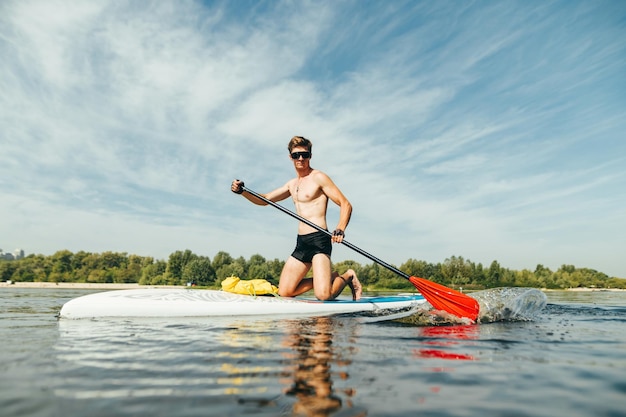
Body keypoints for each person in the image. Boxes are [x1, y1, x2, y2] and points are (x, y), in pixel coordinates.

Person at [231, 136, 362, 301]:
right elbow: (265, 199)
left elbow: (345, 204)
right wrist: (243, 192)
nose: (300, 158)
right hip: (302, 242)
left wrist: (340, 228)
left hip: (319, 240)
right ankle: (329, 278)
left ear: (310, 155)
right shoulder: (291, 185)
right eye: (296, 155)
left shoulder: (319, 177)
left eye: (304, 155)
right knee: (285, 291)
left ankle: (348, 276)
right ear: (290, 157)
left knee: (323, 295)